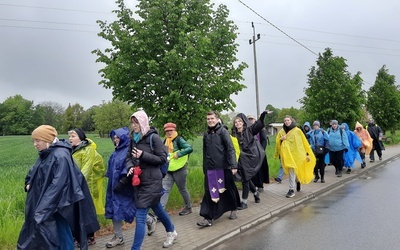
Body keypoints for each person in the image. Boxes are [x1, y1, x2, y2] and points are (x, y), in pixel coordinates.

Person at [18, 125, 99, 250]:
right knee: (54, 234)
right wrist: (29, 183)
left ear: (47, 140)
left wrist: (43, 208)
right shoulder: (47, 154)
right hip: (50, 203)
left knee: (62, 233)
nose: (35, 144)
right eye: (34, 141)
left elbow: (58, 185)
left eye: (37, 140)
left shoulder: (60, 156)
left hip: (60, 205)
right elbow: (34, 172)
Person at [126, 110, 177, 249]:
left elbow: (161, 159)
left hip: (153, 181)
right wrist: (130, 166)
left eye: (136, 122)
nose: (134, 126)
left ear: (143, 122)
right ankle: (171, 231)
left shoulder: (153, 138)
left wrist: (143, 155)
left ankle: (135, 249)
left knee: (141, 215)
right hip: (139, 181)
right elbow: (128, 158)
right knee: (158, 209)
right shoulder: (133, 139)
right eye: (132, 123)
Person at [197, 111, 241, 227]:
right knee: (209, 191)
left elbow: (230, 149)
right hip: (210, 169)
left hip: (223, 168)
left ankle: (234, 208)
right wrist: (204, 167)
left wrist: (233, 165)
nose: (210, 121)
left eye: (212, 118)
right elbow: (205, 151)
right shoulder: (206, 134)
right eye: (208, 119)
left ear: (217, 119)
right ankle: (208, 217)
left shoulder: (223, 132)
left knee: (229, 189)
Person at [69, 128, 105, 246]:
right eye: (70, 136)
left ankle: (90, 237)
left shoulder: (87, 150)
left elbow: (86, 170)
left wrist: (76, 183)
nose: (70, 139)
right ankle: (77, 237)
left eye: (73, 136)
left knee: (87, 211)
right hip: (75, 185)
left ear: (80, 137)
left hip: (87, 185)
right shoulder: (73, 150)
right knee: (77, 211)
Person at [104, 127, 136, 248]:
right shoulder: (115, 152)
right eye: (114, 138)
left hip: (124, 187)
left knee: (130, 208)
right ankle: (118, 236)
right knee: (114, 210)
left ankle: (149, 220)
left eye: (118, 137)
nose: (115, 140)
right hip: (114, 187)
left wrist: (122, 182)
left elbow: (129, 168)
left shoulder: (128, 151)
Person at [231, 112, 268, 209]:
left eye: (239, 121)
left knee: (245, 179)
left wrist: (263, 115)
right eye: (236, 122)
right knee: (245, 177)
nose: (238, 123)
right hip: (240, 158)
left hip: (250, 157)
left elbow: (258, 125)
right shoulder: (234, 133)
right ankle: (255, 193)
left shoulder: (249, 130)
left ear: (243, 122)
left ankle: (244, 202)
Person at [275, 115, 316, 198]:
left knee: (296, 172)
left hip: (297, 155)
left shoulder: (297, 130)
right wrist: (281, 139)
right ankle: (291, 190)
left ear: (291, 121)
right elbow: (277, 142)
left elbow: (303, 142)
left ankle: (298, 182)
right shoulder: (282, 131)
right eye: (285, 120)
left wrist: (307, 153)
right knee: (291, 172)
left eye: (288, 120)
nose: (286, 122)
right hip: (287, 156)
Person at [160, 122, 193, 216]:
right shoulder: (165, 141)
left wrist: (179, 154)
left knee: (182, 189)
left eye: (171, 130)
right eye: (167, 131)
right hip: (169, 169)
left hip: (180, 169)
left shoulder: (179, 139)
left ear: (174, 130)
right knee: (165, 189)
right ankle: (161, 212)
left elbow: (189, 148)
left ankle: (188, 207)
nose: (169, 132)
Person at [247, 114, 270, 192]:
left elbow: (264, 140)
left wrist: (262, 150)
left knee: (260, 170)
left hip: (260, 153)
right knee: (252, 170)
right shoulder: (247, 129)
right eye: (249, 119)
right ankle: (253, 186)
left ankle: (260, 185)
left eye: (252, 119)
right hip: (251, 154)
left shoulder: (260, 129)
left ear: (255, 120)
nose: (250, 121)